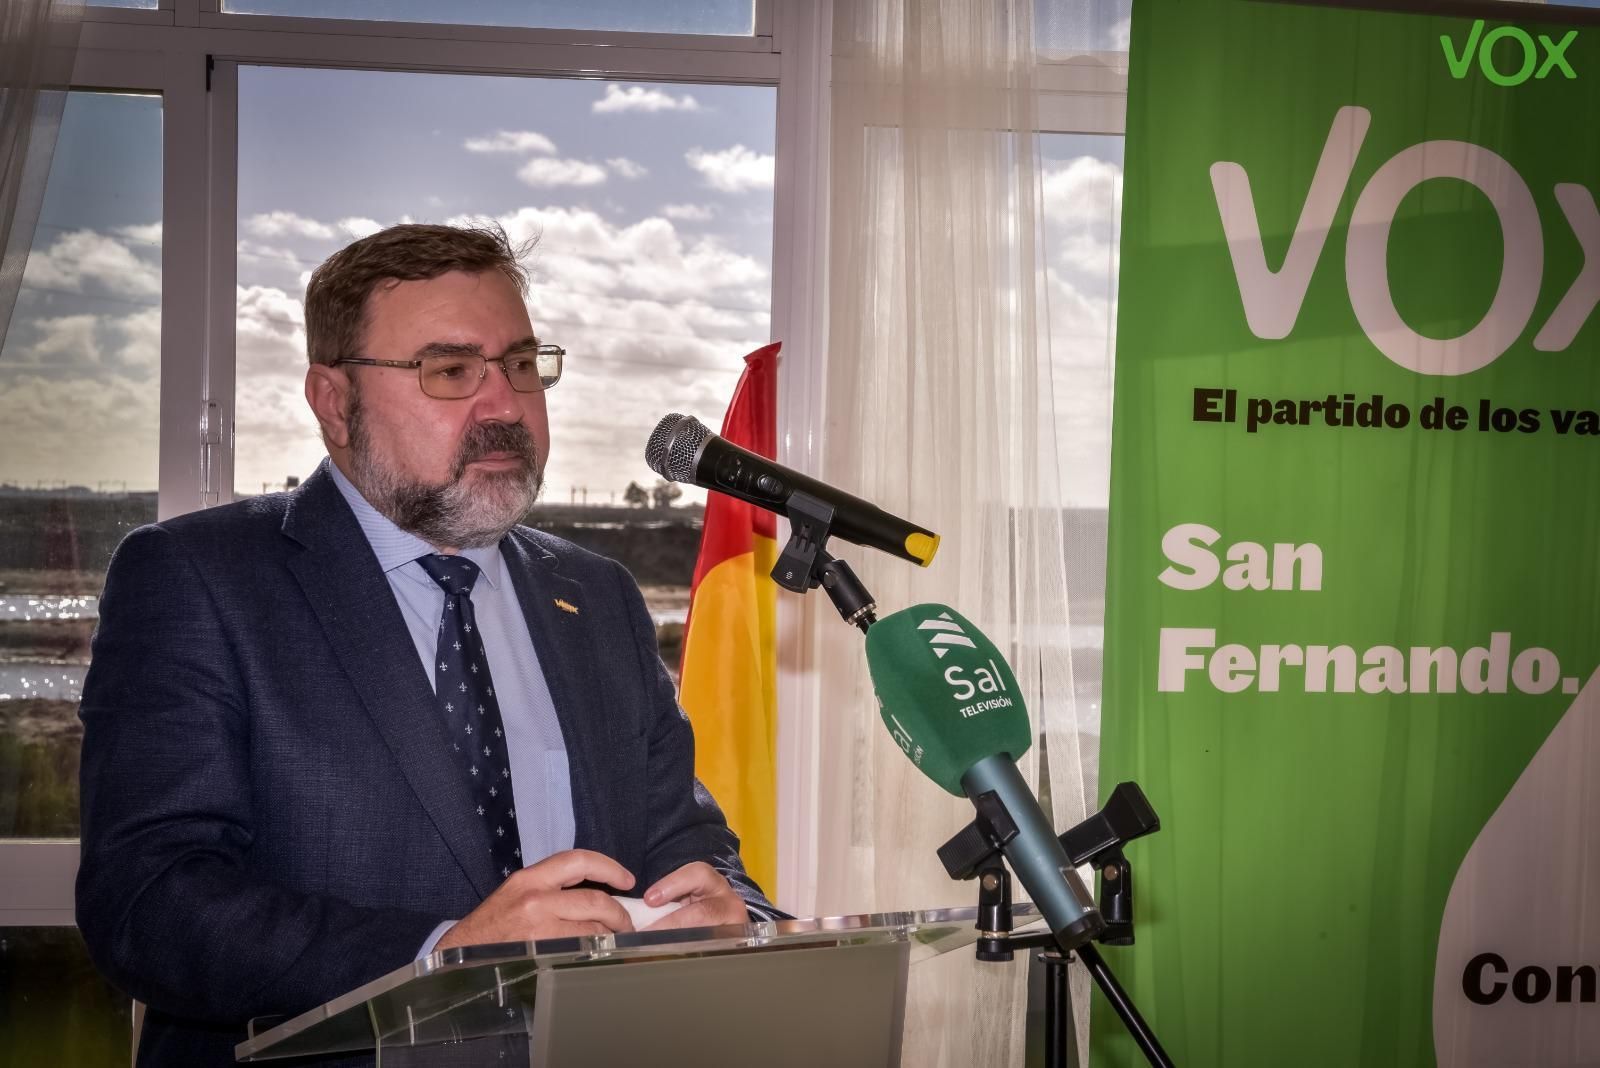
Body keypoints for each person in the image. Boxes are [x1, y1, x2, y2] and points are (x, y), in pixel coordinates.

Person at [75, 223, 777, 1066]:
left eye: (522, 365)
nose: (506, 407)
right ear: (334, 401)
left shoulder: (597, 597)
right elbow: (149, 903)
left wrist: (737, 919)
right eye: (450, 371)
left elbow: (686, 844)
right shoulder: (197, 578)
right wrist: (444, 956)